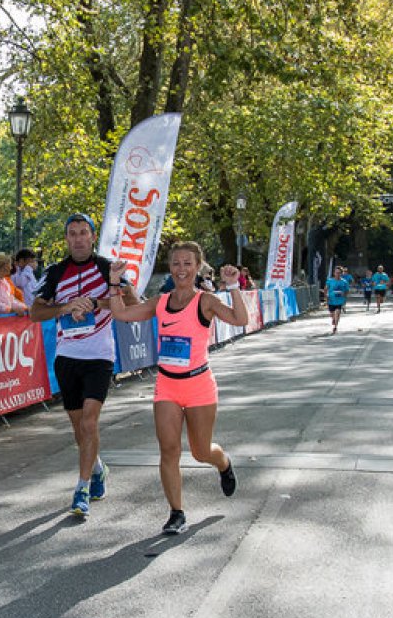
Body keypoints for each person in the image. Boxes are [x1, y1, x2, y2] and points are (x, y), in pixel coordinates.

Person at [107, 242, 247, 535]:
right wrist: (115, 282)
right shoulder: (160, 302)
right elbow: (121, 314)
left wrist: (233, 286)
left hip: (199, 386)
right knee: (169, 450)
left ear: (197, 267)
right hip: (167, 385)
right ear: (170, 267)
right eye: (176, 263)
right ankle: (176, 513)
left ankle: (223, 463)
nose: (181, 269)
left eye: (187, 263)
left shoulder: (205, 301)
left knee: (200, 452)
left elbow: (240, 319)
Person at [30, 214, 134, 518]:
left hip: (99, 357)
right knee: (79, 430)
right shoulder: (55, 272)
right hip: (67, 357)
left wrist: (97, 303)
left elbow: (132, 302)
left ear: (92, 236)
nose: (78, 238)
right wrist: (65, 307)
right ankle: (98, 468)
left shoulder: (107, 268)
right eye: (72, 233)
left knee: (89, 423)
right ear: (67, 238)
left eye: (83, 232)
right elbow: (35, 313)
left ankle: (81, 489)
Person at [323, 265, 351, 334]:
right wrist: (326, 296)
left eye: (339, 273)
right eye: (336, 273)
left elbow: (347, 291)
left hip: (339, 301)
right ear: (334, 273)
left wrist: (344, 295)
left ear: (341, 273)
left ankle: (335, 327)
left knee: (338, 313)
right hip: (331, 300)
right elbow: (325, 289)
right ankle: (333, 319)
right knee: (332, 314)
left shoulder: (344, 282)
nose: (338, 274)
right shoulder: (330, 281)